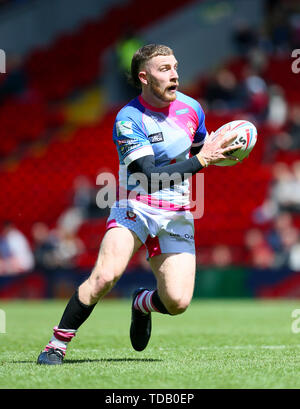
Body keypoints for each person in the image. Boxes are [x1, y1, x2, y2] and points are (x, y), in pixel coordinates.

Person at [37, 44, 241, 365]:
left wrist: (224, 151)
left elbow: (202, 149)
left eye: (175, 66)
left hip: (176, 213)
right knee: (104, 277)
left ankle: (141, 304)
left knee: (177, 302)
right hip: (136, 205)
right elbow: (148, 174)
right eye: (164, 69)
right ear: (144, 77)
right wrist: (203, 160)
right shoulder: (129, 118)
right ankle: (56, 345)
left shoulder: (193, 109)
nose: (174, 74)